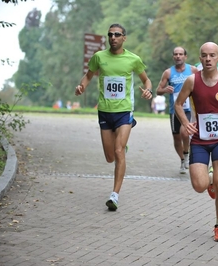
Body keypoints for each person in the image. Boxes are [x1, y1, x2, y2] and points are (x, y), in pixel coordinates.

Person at [74, 23, 152, 211]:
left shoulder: (133, 59)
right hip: (105, 111)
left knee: (118, 151)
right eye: (110, 35)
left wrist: (148, 91)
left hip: (124, 111)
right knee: (110, 157)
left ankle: (114, 195)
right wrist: (81, 86)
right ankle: (122, 145)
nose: (113, 38)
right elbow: (88, 75)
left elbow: (146, 80)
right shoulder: (99, 57)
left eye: (117, 34)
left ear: (124, 37)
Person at [175, 42, 218, 242]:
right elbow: (178, 104)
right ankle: (210, 179)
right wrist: (185, 122)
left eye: (212, 55)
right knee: (199, 185)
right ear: (200, 58)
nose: (208, 59)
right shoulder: (192, 81)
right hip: (199, 139)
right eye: (204, 55)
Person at [156, 47, 198, 174]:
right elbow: (158, 90)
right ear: (173, 56)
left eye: (180, 54)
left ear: (185, 56)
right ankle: (182, 160)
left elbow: (201, 84)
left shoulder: (193, 70)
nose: (178, 56)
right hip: (174, 110)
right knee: (176, 138)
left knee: (185, 133)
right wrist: (165, 90)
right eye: (175, 54)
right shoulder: (168, 73)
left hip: (188, 108)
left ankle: (186, 155)